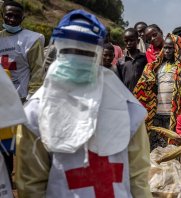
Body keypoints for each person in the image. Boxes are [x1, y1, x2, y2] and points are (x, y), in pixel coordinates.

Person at [16, 10, 152, 198]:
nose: (77, 58)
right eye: (71, 51)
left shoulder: (128, 107)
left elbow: (138, 177)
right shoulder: (37, 110)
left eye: (84, 52)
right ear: (58, 50)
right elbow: (32, 184)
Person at [134, 33, 181, 150]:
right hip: (157, 114)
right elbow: (144, 85)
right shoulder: (156, 66)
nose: (167, 51)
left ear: (178, 48)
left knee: (172, 149)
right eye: (165, 47)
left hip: (175, 114)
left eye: (171, 48)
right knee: (155, 148)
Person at [0, 0, 45, 184]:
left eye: (16, 16)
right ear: (3, 15)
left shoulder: (32, 39)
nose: (12, 19)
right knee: (4, 145)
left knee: (22, 144)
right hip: (2, 102)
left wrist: (32, 101)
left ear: (23, 17)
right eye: (8, 15)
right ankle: (7, 181)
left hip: (22, 100)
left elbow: (37, 71)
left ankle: (25, 181)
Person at [0, 65, 27, 198]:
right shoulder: (4, 74)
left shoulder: (4, 74)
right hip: (6, 133)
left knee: (7, 166)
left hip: (5, 134)